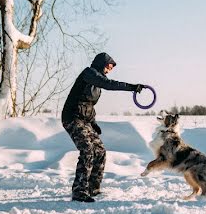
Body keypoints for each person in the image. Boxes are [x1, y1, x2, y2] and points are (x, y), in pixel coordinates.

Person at [61, 52, 144, 202]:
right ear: (101, 64)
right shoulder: (89, 73)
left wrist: (93, 123)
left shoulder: (97, 86)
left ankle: (93, 188)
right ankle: (79, 191)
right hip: (72, 117)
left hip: (85, 120)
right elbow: (109, 84)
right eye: (108, 66)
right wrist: (131, 87)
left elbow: (88, 105)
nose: (109, 70)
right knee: (87, 150)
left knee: (100, 151)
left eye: (111, 68)